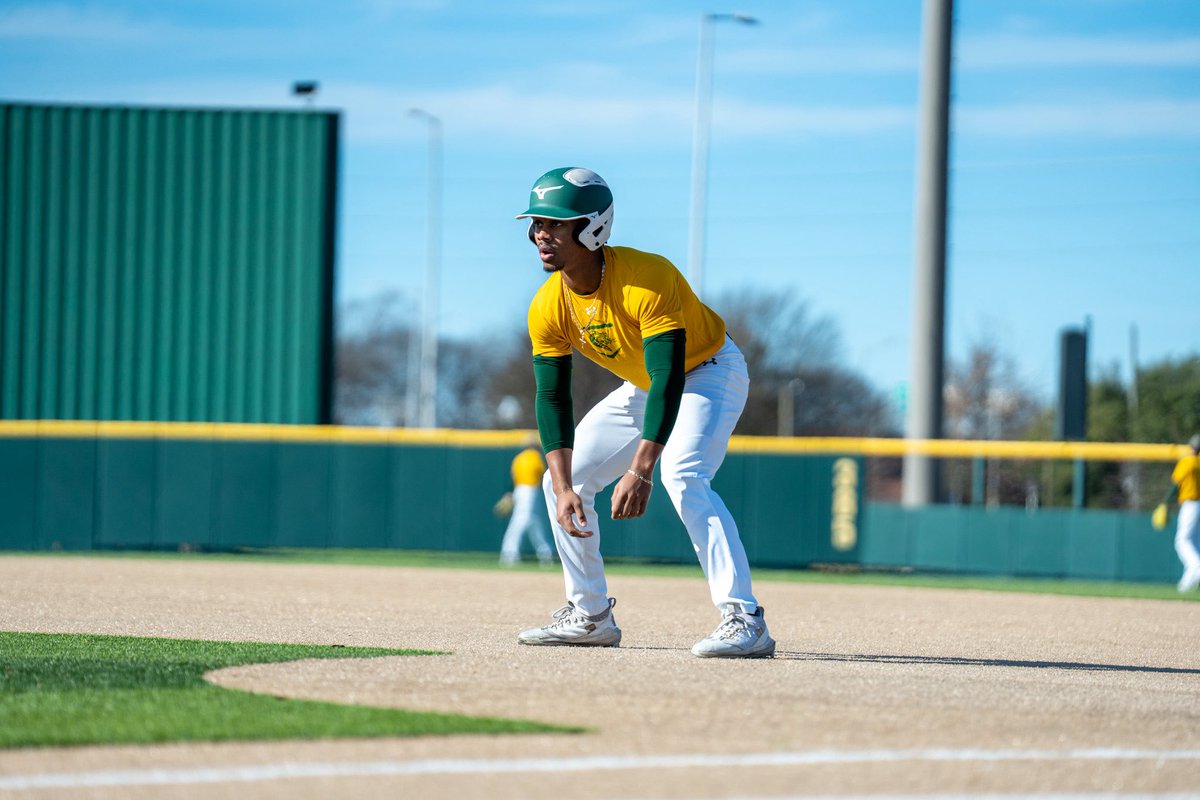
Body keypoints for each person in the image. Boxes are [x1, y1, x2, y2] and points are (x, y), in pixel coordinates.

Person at [513, 166, 775, 659]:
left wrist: (640, 469)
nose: (540, 234)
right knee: (560, 483)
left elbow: (672, 377)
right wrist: (566, 483)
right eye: (536, 224)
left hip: (709, 370)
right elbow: (552, 398)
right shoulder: (547, 305)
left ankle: (745, 618)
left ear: (592, 228)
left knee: (683, 474)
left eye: (554, 223)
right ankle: (590, 614)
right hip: (645, 386)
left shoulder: (646, 277)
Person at [498, 438, 555, 567]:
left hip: (519, 490)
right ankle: (510, 553)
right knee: (522, 521)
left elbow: (513, 477)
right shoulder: (536, 457)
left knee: (534, 523)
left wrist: (510, 493)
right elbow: (541, 476)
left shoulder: (519, 458)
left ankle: (545, 553)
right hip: (531, 491)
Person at [1161, 434, 1200, 592]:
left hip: (1190, 503)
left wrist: (1165, 503)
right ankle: (1186, 584)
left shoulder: (1188, 461)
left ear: (1191, 447)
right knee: (1195, 542)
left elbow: (1176, 485)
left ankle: (1197, 569)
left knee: (1182, 541)